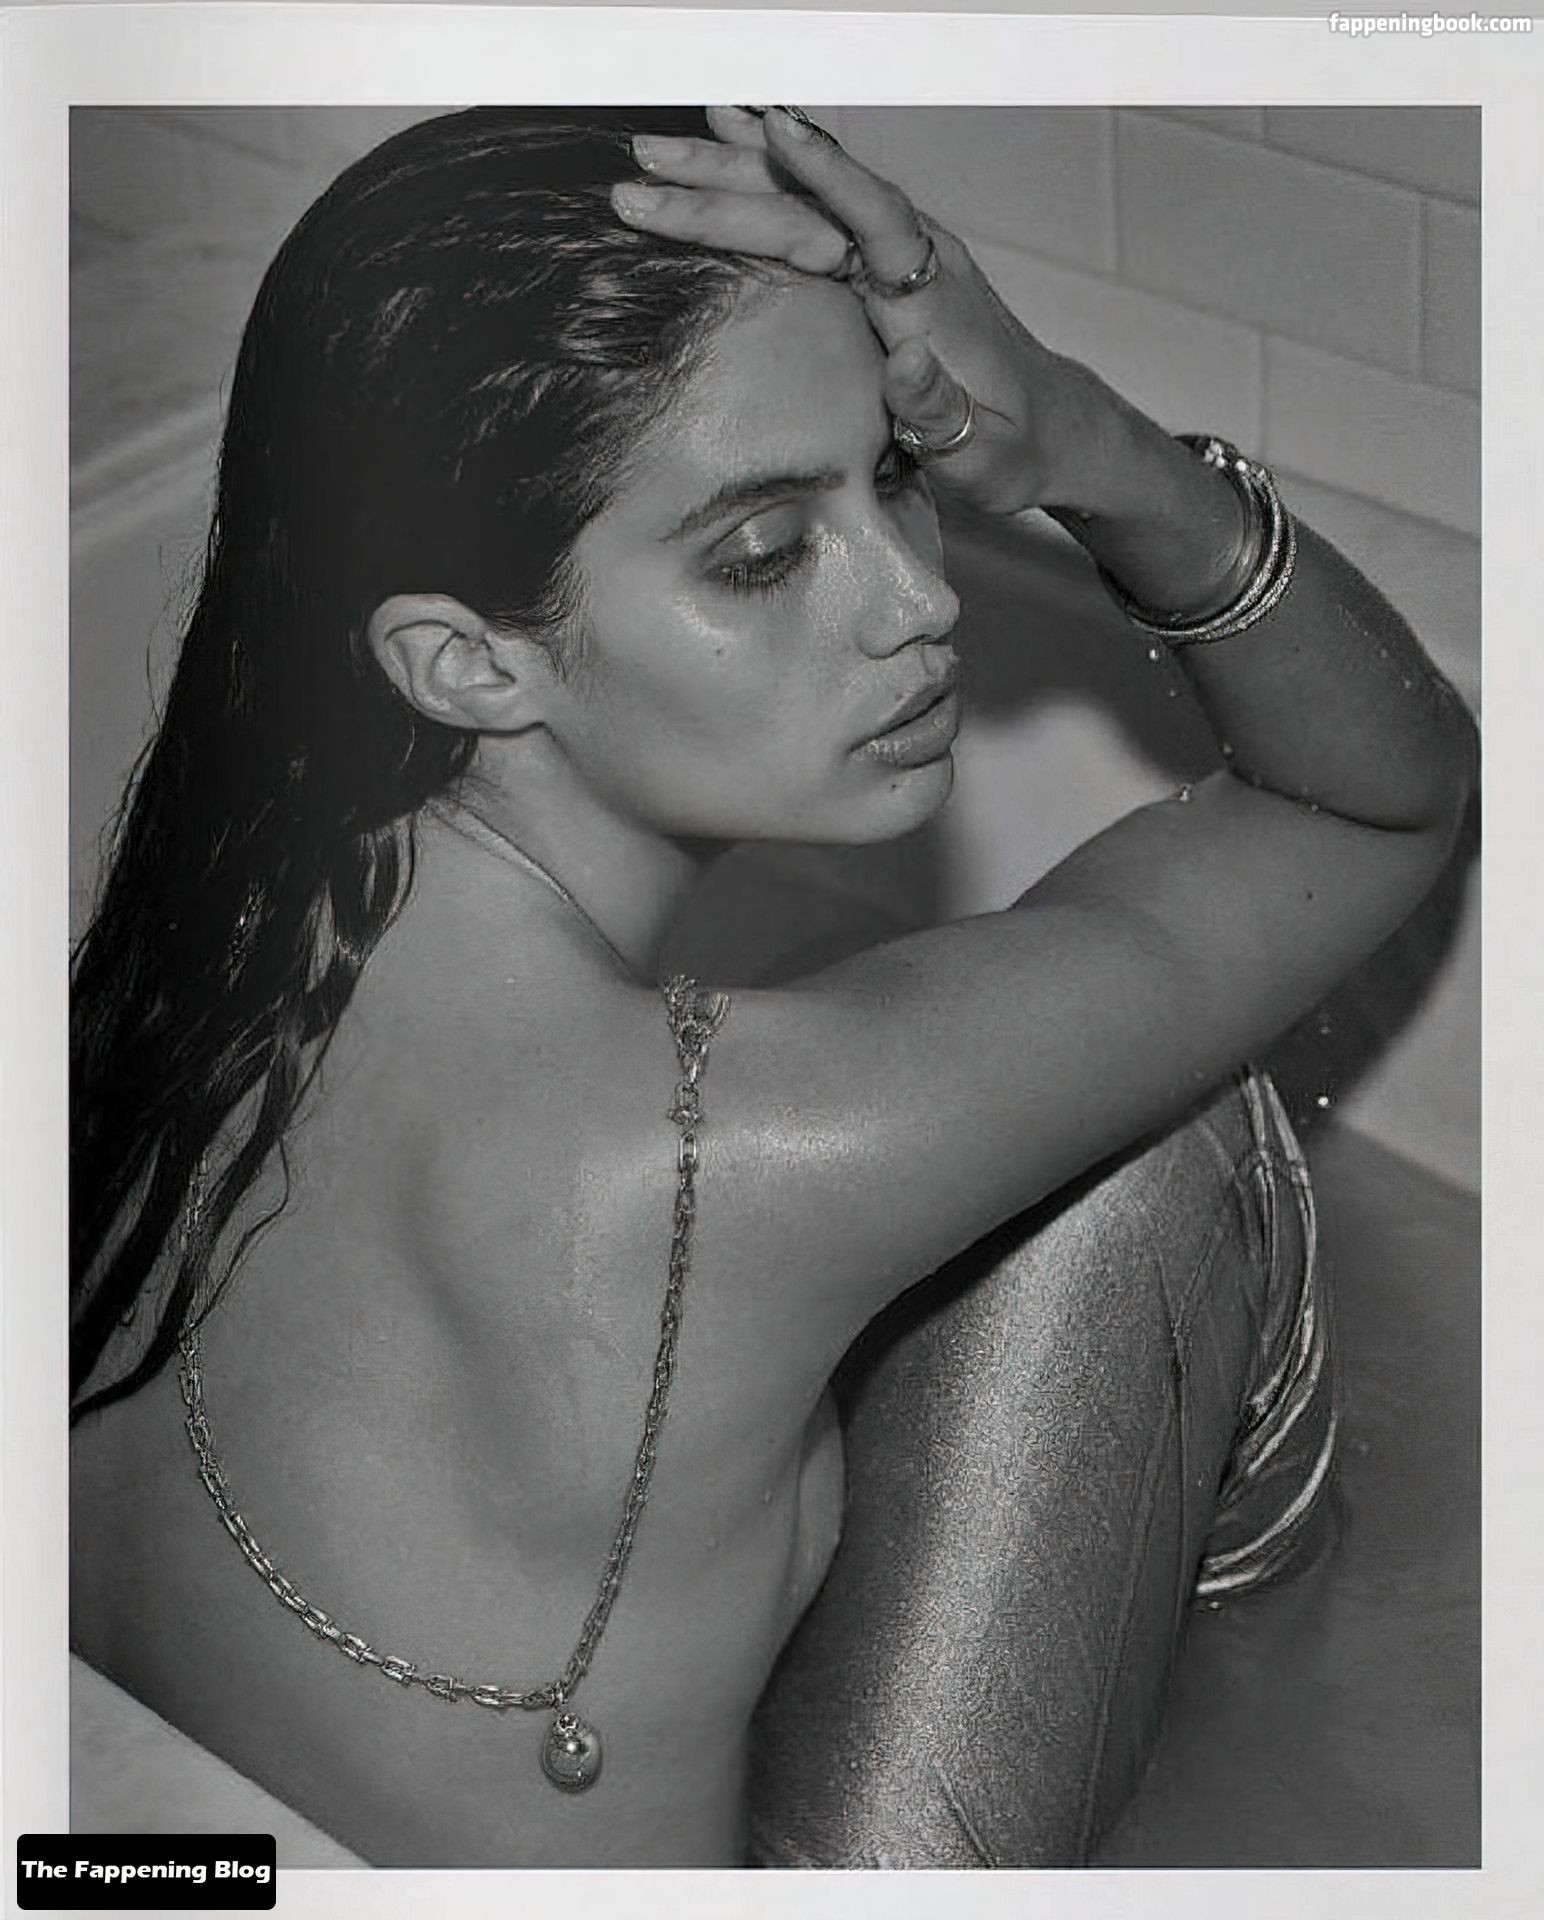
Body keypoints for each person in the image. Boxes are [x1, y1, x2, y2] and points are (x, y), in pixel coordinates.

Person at [68, 106, 1476, 1870]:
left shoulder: (179, 953)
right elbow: (1376, 795)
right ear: (468, 663)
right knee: (1172, 1137)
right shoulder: (724, 1149)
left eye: (894, 474)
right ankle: (1269, 1703)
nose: (919, 597)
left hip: (153, 1858)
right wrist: (1082, 438)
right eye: (761, 554)